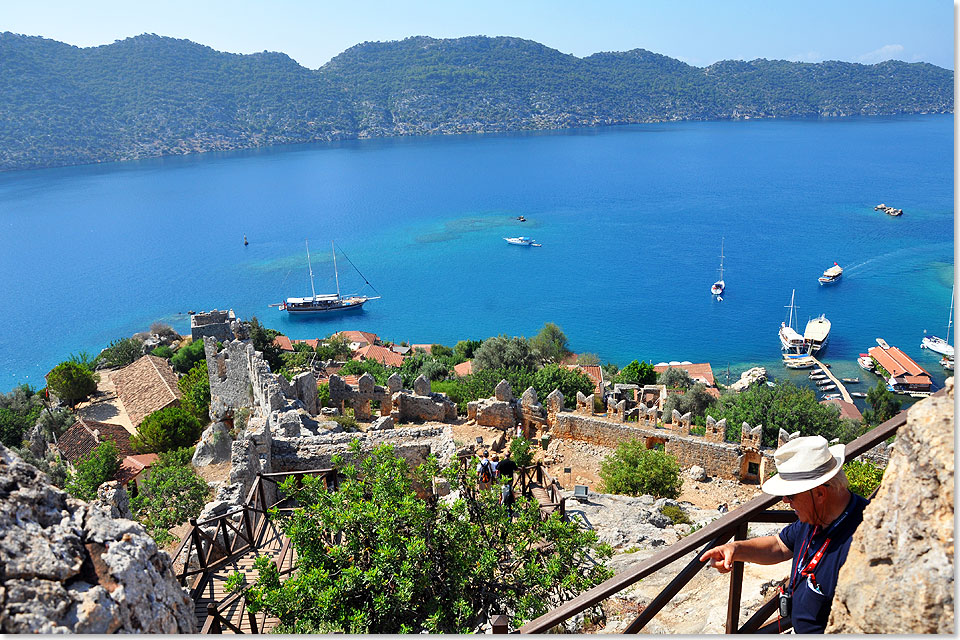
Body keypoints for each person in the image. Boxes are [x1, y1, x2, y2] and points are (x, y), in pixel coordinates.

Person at [699, 435, 868, 634]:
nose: (786, 501)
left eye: (791, 494)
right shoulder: (816, 517)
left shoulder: (863, 543)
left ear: (820, 494)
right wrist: (735, 549)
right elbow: (779, 546)